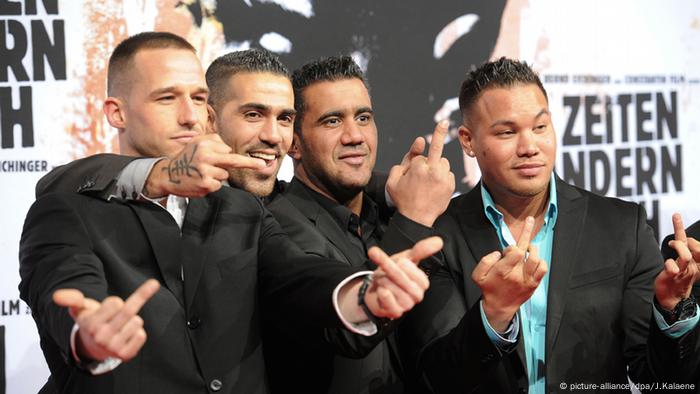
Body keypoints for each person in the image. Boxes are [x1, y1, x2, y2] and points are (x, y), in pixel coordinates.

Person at [19, 32, 439, 394]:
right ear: (116, 112)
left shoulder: (242, 210)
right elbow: (65, 287)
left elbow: (300, 277)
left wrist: (363, 293)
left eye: (198, 98)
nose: (189, 114)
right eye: (167, 98)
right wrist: (87, 333)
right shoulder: (68, 207)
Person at [398, 57, 700, 393]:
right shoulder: (438, 236)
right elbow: (437, 378)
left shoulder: (621, 227)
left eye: (540, 127)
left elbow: (659, 379)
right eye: (507, 132)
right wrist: (493, 315)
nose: (529, 148)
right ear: (468, 141)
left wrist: (672, 311)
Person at [260, 56, 454, 393]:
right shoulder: (276, 226)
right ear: (294, 144)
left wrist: (495, 316)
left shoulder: (386, 212)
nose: (355, 136)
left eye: (363, 117)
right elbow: (348, 335)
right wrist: (415, 217)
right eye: (332, 121)